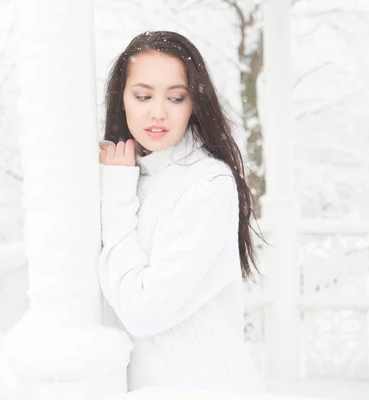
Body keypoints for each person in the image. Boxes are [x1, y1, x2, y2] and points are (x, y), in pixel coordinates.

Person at [97, 30, 266, 394]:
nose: (157, 112)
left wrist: (116, 200)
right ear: (122, 99)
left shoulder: (208, 185)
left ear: (194, 104)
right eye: (143, 96)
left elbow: (145, 311)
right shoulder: (126, 173)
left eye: (176, 97)